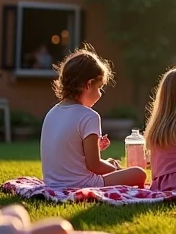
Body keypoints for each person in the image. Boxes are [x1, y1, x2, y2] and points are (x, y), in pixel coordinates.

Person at [40, 47, 147, 189]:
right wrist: (118, 171)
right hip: (80, 184)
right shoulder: (89, 116)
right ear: (88, 84)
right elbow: (94, 165)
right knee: (139, 173)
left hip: (53, 183)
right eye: (99, 87)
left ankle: (113, 165)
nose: (100, 93)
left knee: (110, 162)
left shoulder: (52, 113)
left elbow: (69, 152)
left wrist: (96, 148)